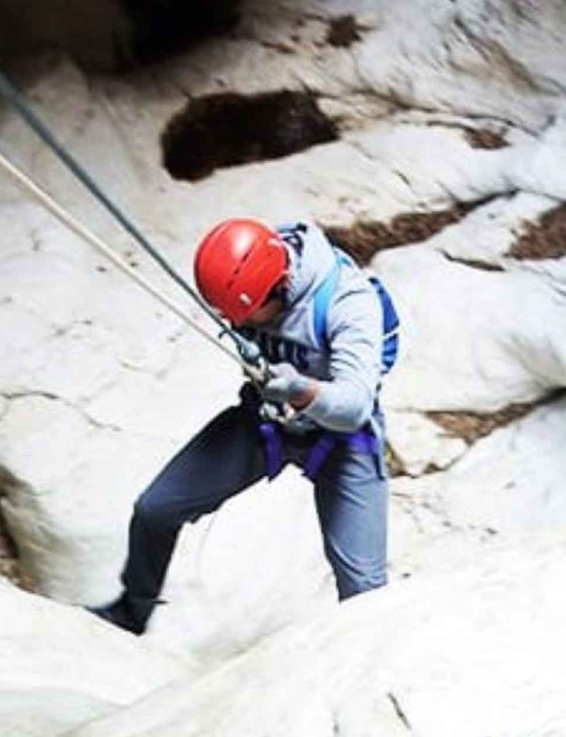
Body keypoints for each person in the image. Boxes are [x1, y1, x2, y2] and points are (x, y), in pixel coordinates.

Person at [90, 218, 400, 635]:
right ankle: (132, 610)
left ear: (283, 284)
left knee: (365, 594)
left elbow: (354, 407)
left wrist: (299, 389)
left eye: (248, 315)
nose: (241, 322)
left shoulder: (348, 303)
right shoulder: (247, 278)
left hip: (340, 442)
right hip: (265, 424)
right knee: (154, 509)